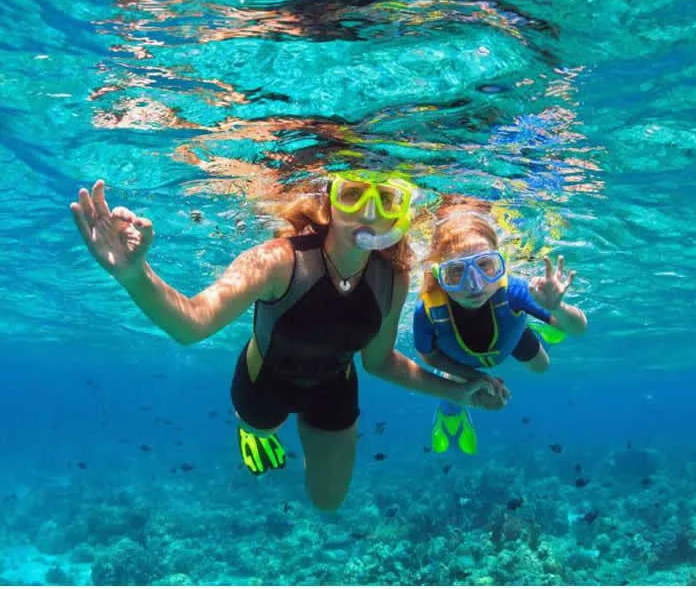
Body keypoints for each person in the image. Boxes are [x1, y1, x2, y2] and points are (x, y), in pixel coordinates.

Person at [70, 170, 508, 512]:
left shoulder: (393, 278)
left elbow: (379, 362)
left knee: (328, 502)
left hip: (335, 387)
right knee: (260, 427)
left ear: (399, 212)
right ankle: (251, 430)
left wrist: (459, 391)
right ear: (330, 203)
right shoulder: (278, 260)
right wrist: (135, 274)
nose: (369, 212)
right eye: (353, 195)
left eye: (386, 199)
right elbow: (192, 324)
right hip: (265, 382)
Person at [413, 201, 587, 455]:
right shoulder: (428, 310)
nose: (474, 285)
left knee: (541, 367)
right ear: (439, 275)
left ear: (501, 262)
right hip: (458, 359)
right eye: (456, 271)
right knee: (455, 388)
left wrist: (557, 308)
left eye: (485, 265)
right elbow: (428, 356)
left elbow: (579, 329)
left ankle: (539, 323)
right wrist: (477, 377)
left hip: (511, 336)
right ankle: (449, 415)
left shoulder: (514, 290)